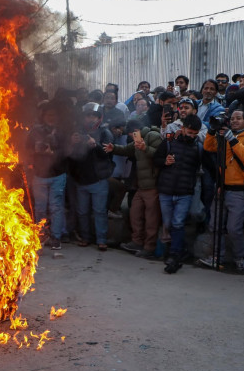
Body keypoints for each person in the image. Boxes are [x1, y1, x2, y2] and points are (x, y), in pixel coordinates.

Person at [204, 110, 244, 271]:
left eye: (239, 118)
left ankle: (240, 257)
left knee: (233, 228)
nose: (234, 121)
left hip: (240, 190)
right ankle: (217, 257)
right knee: (215, 225)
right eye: (232, 119)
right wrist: (211, 130)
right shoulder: (224, 136)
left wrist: (231, 138)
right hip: (222, 187)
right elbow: (208, 147)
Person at [106, 119, 163, 258]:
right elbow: (127, 149)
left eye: (131, 134)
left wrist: (146, 148)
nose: (131, 137)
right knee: (135, 213)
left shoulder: (152, 136)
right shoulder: (138, 140)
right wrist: (113, 148)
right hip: (141, 186)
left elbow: (161, 155)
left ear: (135, 131)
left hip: (152, 186)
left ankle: (149, 247)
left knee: (151, 219)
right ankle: (137, 242)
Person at [154, 114, 203, 274]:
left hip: (185, 192)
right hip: (166, 191)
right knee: (168, 223)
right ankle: (174, 252)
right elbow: (156, 159)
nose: (191, 136)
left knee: (178, 223)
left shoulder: (198, 147)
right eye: (189, 132)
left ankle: (174, 256)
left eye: (195, 134)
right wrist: (164, 161)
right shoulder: (168, 142)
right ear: (182, 128)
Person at [69, 102, 114, 250]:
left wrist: (96, 146)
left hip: (98, 179)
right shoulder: (77, 132)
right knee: (82, 212)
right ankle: (85, 237)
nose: (91, 118)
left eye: (94, 115)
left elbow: (109, 154)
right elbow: (70, 155)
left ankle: (101, 240)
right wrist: (72, 143)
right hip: (81, 179)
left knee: (99, 211)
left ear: (99, 117)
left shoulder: (104, 133)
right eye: (88, 115)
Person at [26, 100, 69, 250]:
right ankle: (41, 235)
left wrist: (53, 153)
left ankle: (56, 237)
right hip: (39, 175)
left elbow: (68, 152)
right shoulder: (35, 131)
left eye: (54, 115)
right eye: (48, 114)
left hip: (58, 174)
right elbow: (26, 150)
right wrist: (37, 151)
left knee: (56, 207)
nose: (51, 117)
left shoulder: (63, 132)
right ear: (43, 116)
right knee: (40, 208)